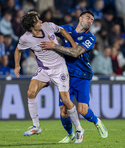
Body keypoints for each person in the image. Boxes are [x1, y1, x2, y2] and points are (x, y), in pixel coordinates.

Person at [14, 11, 84, 143]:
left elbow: (63, 31)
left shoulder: (49, 26)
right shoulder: (25, 39)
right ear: (31, 26)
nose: (40, 21)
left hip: (59, 69)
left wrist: (74, 45)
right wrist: (17, 66)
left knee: (66, 101)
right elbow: (17, 50)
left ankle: (79, 129)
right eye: (37, 20)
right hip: (44, 70)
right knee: (30, 92)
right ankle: (36, 126)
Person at [40, 10, 108, 143]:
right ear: (80, 18)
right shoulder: (67, 29)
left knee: (83, 110)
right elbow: (49, 28)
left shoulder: (90, 38)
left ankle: (97, 121)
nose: (90, 21)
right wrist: (40, 25)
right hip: (65, 76)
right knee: (63, 112)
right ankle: (71, 134)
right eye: (88, 18)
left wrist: (54, 46)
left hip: (82, 76)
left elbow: (76, 52)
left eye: (92, 20)